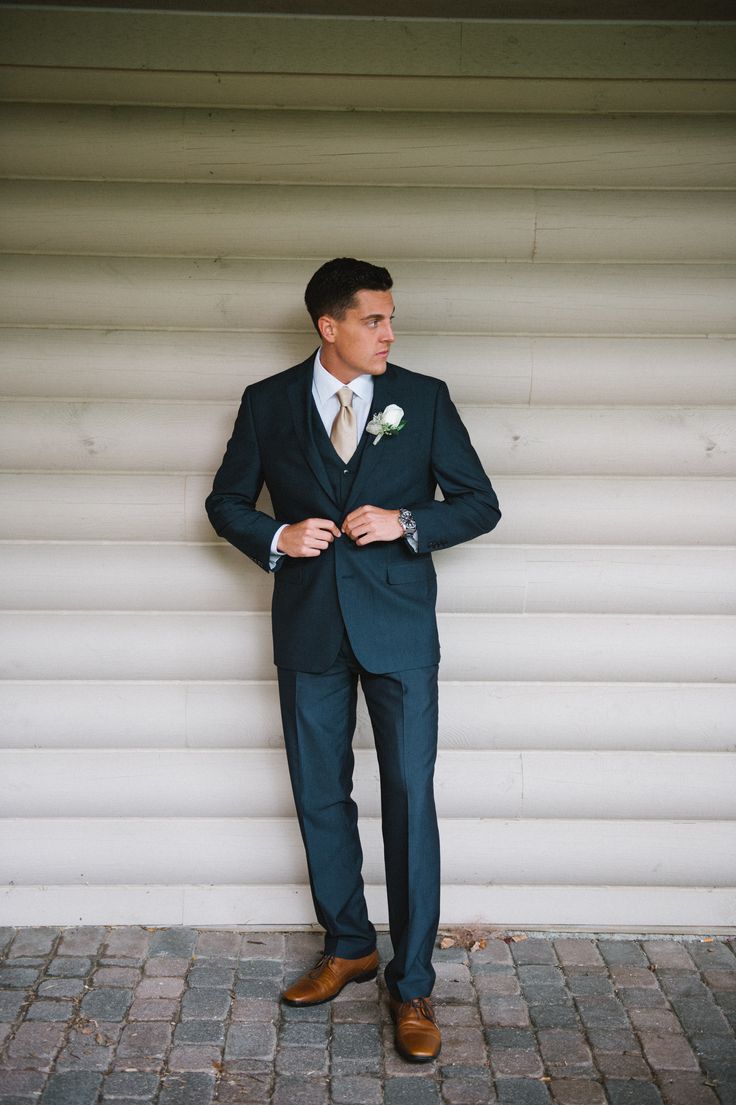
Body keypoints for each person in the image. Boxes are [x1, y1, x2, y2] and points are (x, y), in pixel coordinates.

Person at [206, 257, 501, 1062]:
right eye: (375, 320)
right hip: (308, 627)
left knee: (409, 796)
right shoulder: (267, 403)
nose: (390, 333)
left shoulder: (423, 397)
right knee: (318, 792)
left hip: (400, 632)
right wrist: (276, 534)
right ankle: (348, 944)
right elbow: (226, 500)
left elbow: (480, 502)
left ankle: (412, 986)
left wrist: (407, 521)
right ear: (328, 325)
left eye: (391, 319)